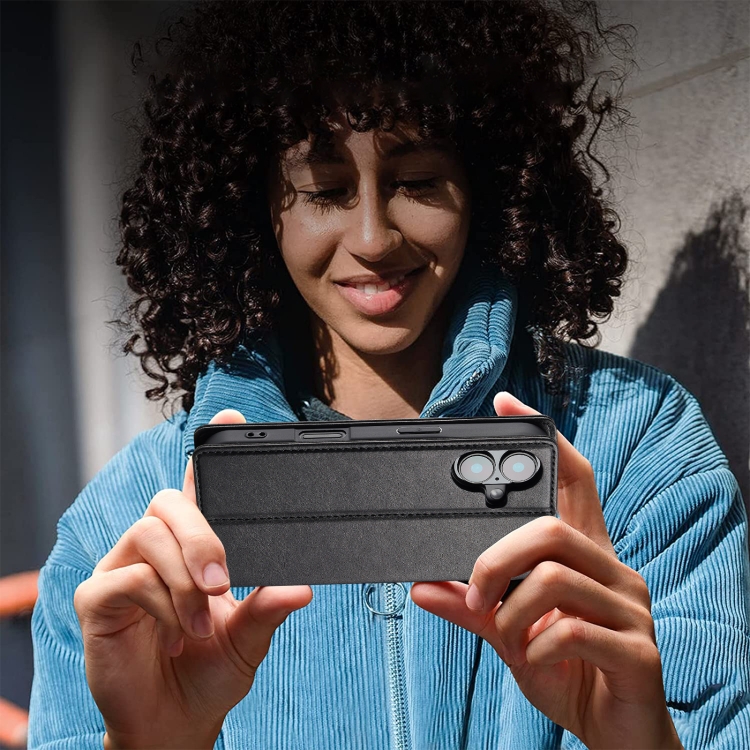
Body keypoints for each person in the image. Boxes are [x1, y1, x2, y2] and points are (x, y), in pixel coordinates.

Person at [27, 1, 749, 749]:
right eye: (324, 189)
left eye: (418, 179)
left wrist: (641, 740)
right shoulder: (120, 525)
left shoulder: (637, 447)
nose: (373, 238)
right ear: (253, 205)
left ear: (489, 183)